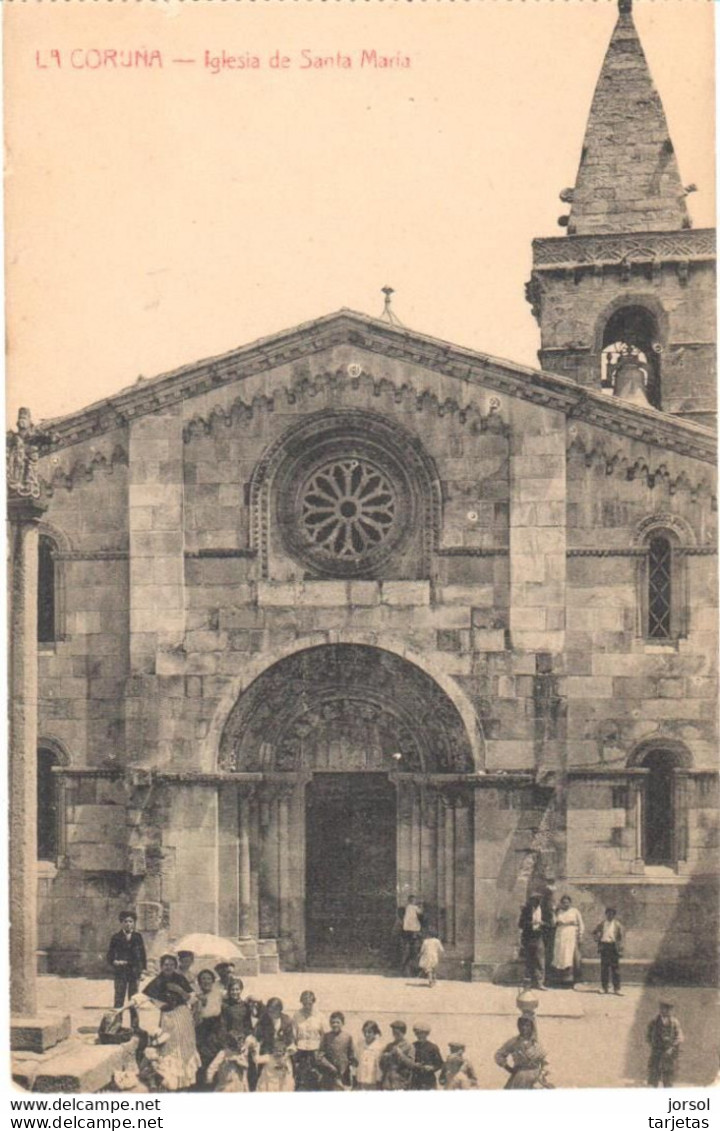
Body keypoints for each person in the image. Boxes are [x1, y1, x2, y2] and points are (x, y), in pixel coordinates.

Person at [141, 955, 200, 1091]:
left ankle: (185, 1082)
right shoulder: (156, 981)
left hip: (182, 1015)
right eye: (166, 965)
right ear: (161, 966)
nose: (168, 967)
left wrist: (179, 990)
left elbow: (191, 999)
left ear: (175, 966)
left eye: (171, 965)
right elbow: (144, 998)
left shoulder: (180, 979)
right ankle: (171, 1082)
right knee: (170, 1048)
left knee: (185, 1047)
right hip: (167, 1017)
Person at [494, 1015, 550, 1090]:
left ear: (532, 1027)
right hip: (521, 1078)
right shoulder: (514, 1042)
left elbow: (543, 1060)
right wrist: (509, 1069)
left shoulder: (536, 1042)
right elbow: (499, 1055)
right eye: (521, 1025)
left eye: (527, 1025)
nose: (524, 1028)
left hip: (536, 1077)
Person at [107, 912, 147, 1011]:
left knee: (134, 1000)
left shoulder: (138, 937)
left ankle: (134, 1025)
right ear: (121, 923)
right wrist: (115, 962)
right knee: (119, 998)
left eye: (130, 921)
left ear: (134, 923)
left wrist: (143, 971)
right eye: (125, 921)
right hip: (121, 972)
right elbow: (110, 955)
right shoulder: (116, 937)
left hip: (134, 972)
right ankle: (117, 1024)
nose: (128, 924)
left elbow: (143, 955)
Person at [192, 969, 224, 1084]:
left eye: (209, 979)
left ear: (213, 981)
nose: (206, 981)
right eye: (203, 979)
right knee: (200, 1060)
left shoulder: (219, 994)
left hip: (215, 1029)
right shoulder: (196, 997)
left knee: (214, 1060)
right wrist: (198, 1003)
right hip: (200, 1030)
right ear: (199, 982)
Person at [292, 990, 326, 1092]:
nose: (307, 1005)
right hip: (301, 1049)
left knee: (316, 1077)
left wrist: (321, 1050)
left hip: (315, 1050)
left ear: (313, 1001)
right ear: (301, 1002)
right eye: (304, 1002)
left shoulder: (320, 1016)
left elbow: (324, 1035)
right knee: (300, 1077)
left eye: (309, 1003)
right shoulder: (297, 1015)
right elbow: (294, 1033)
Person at [316, 1011, 357, 1091]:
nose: (335, 1025)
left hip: (343, 1074)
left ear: (343, 1023)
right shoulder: (326, 1037)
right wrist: (330, 1066)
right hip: (328, 1073)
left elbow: (351, 1055)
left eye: (337, 1022)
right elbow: (320, 1055)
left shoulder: (348, 1037)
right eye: (332, 1022)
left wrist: (352, 1066)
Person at [550, 894, 584, 988]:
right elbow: (554, 923)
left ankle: (571, 981)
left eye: (567, 902)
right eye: (564, 902)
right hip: (560, 935)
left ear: (570, 902)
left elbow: (581, 924)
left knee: (570, 956)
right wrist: (553, 912)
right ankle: (560, 980)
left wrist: (580, 935)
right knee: (560, 956)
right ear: (561, 903)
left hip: (571, 935)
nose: (565, 904)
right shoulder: (559, 912)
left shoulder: (575, 911)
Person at [647, 1001, 683, 1088]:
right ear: (660, 1010)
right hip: (657, 1050)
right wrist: (653, 1045)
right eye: (664, 1009)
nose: (666, 1011)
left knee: (668, 1072)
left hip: (669, 1051)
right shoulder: (654, 1022)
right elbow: (648, 1035)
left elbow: (680, 1036)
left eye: (669, 1010)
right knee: (654, 1071)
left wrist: (672, 1047)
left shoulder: (674, 1022)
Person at [518, 894, 549, 990]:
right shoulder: (526, 910)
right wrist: (530, 923)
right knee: (529, 960)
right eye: (533, 900)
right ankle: (528, 983)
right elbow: (520, 924)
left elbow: (550, 923)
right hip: (528, 937)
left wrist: (543, 924)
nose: (535, 902)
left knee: (540, 960)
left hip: (539, 936)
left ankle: (540, 983)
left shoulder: (544, 910)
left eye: (537, 900)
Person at [592, 907, 624, 995]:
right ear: (606, 914)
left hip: (613, 947)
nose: (610, 915)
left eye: (612, 914)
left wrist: (620, 949)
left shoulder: (617, 925)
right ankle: (604, 987)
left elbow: (621, 938)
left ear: (614, 915)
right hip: (604, 946)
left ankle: (617, 989)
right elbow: (594, 932)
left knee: (615, 968)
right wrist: (597, 938)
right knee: (604, 968)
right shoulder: (602, 924)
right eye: (608, 914)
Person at [379, 1020, 415, 1090]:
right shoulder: (389, 1046)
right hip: (388, 1082)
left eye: (397, 1033)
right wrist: (385, 1057)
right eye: (393, 1033)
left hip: (401, 1082)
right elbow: (381, 1064)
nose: (395, 1035)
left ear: (403, 1032)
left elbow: (411, 1065)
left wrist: (400, 1054)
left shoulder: (409, 1046)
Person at [410, 1023, 443, 1090]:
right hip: (415, 1079)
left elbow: (440, 1064)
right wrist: (414, 1064)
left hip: (428, 1080)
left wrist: (432, 1068)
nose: (420, 1035)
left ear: (427, 1034)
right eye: (418, 1033)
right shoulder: (412, 1046)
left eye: (422, 1033)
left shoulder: (433, 1047)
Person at [355, 1021, 383, 1090]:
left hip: (372, 1082)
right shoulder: (360, 1044)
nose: (366, 1034)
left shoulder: (379, 1047)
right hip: (361, 1080)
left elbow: (379, 1067)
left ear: (375, 1033)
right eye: (365, 1032)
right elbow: (357, 1062)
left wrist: (378, 1081)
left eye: (369, 1032)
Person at [401, 895, 424, 976]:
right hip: (413, 929)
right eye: (414, 900)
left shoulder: (407, 907)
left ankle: (406, 969)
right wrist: (421, 906)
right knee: (413, 950)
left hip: (406, 929)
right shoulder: (414, 907)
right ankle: (412, 970)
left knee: (408, 949)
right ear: (412, 901)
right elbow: (420, 912)